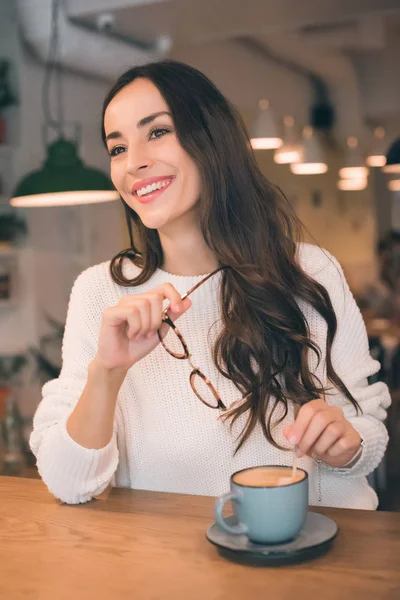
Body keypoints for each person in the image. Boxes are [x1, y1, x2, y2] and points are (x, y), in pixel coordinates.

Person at [30, 60, 390, 509]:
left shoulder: (310, 271)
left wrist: (346, 443)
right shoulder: (100, 293)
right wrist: (107, 373)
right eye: (117, 148)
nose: (134, 162)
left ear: (211, 140)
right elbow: (69, 485)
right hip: (168, 568)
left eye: (157, 132)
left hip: (307, 560)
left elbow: (367, 431)